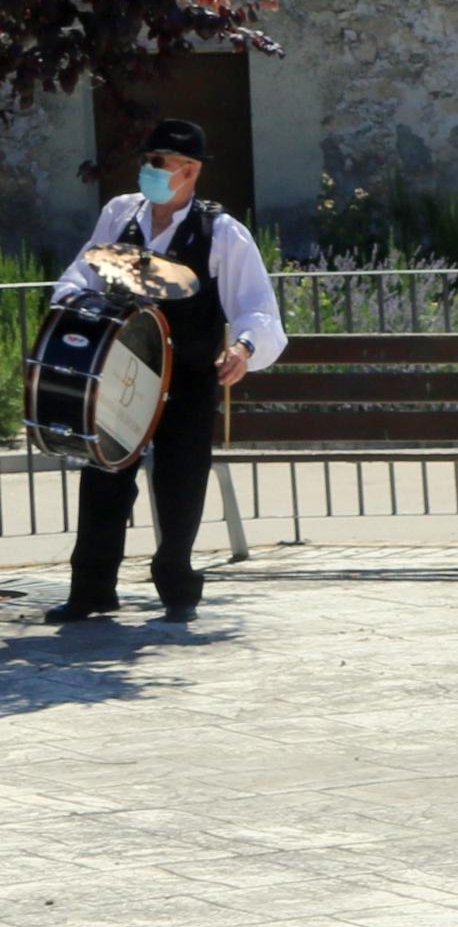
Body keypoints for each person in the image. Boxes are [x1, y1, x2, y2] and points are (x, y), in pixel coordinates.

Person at [40, 115, 287, 625]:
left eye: (162, 164)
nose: (150, 172)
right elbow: (82, 270)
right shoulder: (119, 214)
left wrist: (243, 348)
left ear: (190, 171)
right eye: (149, 162)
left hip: (189, 374)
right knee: (104, 474)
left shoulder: (222, 232)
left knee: (180, 479)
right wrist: (67, 300)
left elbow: (259, 309)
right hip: (122, 369)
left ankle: (177, 588)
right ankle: (91, 588)